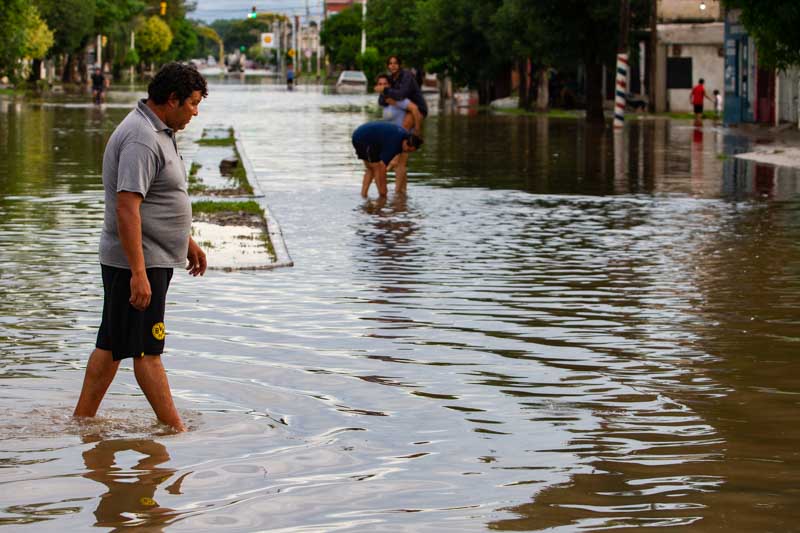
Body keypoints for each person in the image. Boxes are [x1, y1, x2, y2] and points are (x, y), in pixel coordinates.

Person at [74, 62, 209, 432]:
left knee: (112, 345)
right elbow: (127, 207)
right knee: (148, 351)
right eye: (193, 103)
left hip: (147, 258)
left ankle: (81, 425)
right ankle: (176, 433)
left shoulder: (159, 131)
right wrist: (138, 273)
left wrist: (185, 241)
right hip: (139, 262)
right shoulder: (141, 138)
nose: (195, 112)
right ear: (172, 99)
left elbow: (157, 197)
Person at [375, 73, 423, 194]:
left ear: (390, 85)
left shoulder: (397, 99)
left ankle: (397, 194)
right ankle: (402, 194)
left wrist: (417, 130)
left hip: (402, 136)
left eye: (385, 84)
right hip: (393, 137)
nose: (382, 86)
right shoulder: (385, 100)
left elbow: (415, 110)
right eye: (380, 84)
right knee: (401, 165)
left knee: (398, 165)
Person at [352, 121, 423, 198]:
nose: (406, 151)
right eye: (408, 149)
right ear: (406, 142)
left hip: (366, 137)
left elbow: (391, 163)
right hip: (362, 138)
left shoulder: (405, 136)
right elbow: (382, 167)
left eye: (410, 151)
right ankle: (382, 196)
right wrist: (384, 191)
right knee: (376, 167)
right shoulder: (395, 143)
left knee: (371, 168)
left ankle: (363, 195)